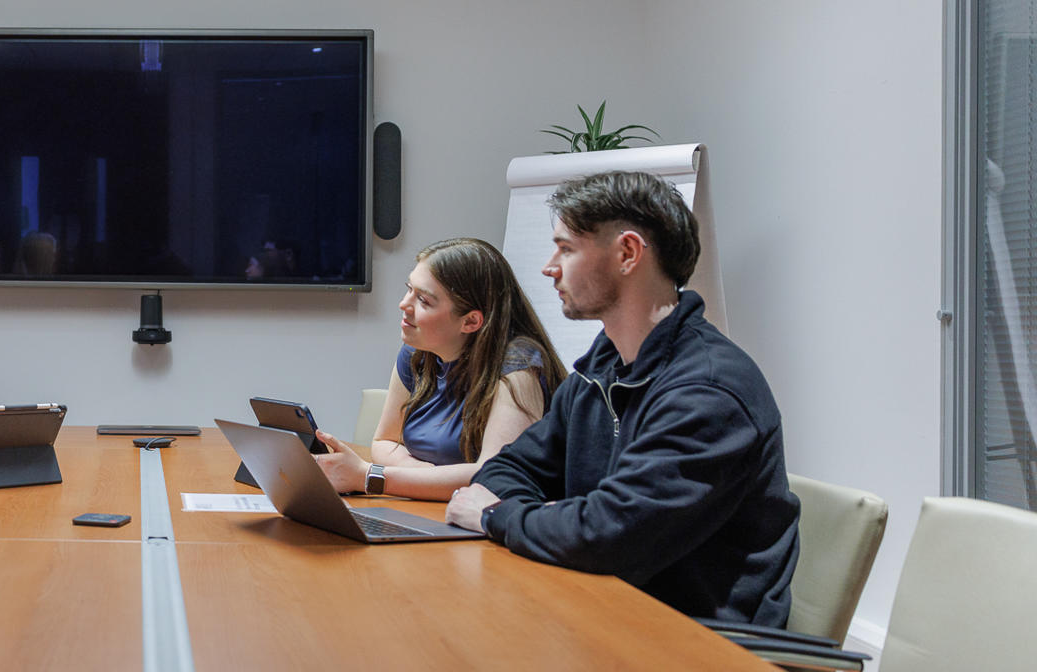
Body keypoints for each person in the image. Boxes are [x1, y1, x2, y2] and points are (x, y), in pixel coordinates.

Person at [445, 170, 800, 627]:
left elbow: (606, 536)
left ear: (628, 253)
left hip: (697, 643)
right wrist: (563, 521)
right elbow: (506, 468)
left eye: (566, 248)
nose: (548, 266)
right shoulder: (601, 368)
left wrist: (497, 516)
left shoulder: (708, 392)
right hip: (602, 608)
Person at [311, 238, 565, 501]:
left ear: (471, 321)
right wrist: (426, 476)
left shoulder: (519, 369)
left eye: (423, 300)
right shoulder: (416, 354)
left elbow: (493, 477)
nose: (403, 304)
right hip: (432, 509)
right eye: (409, 289)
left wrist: (369, 477)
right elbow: (384, 443)